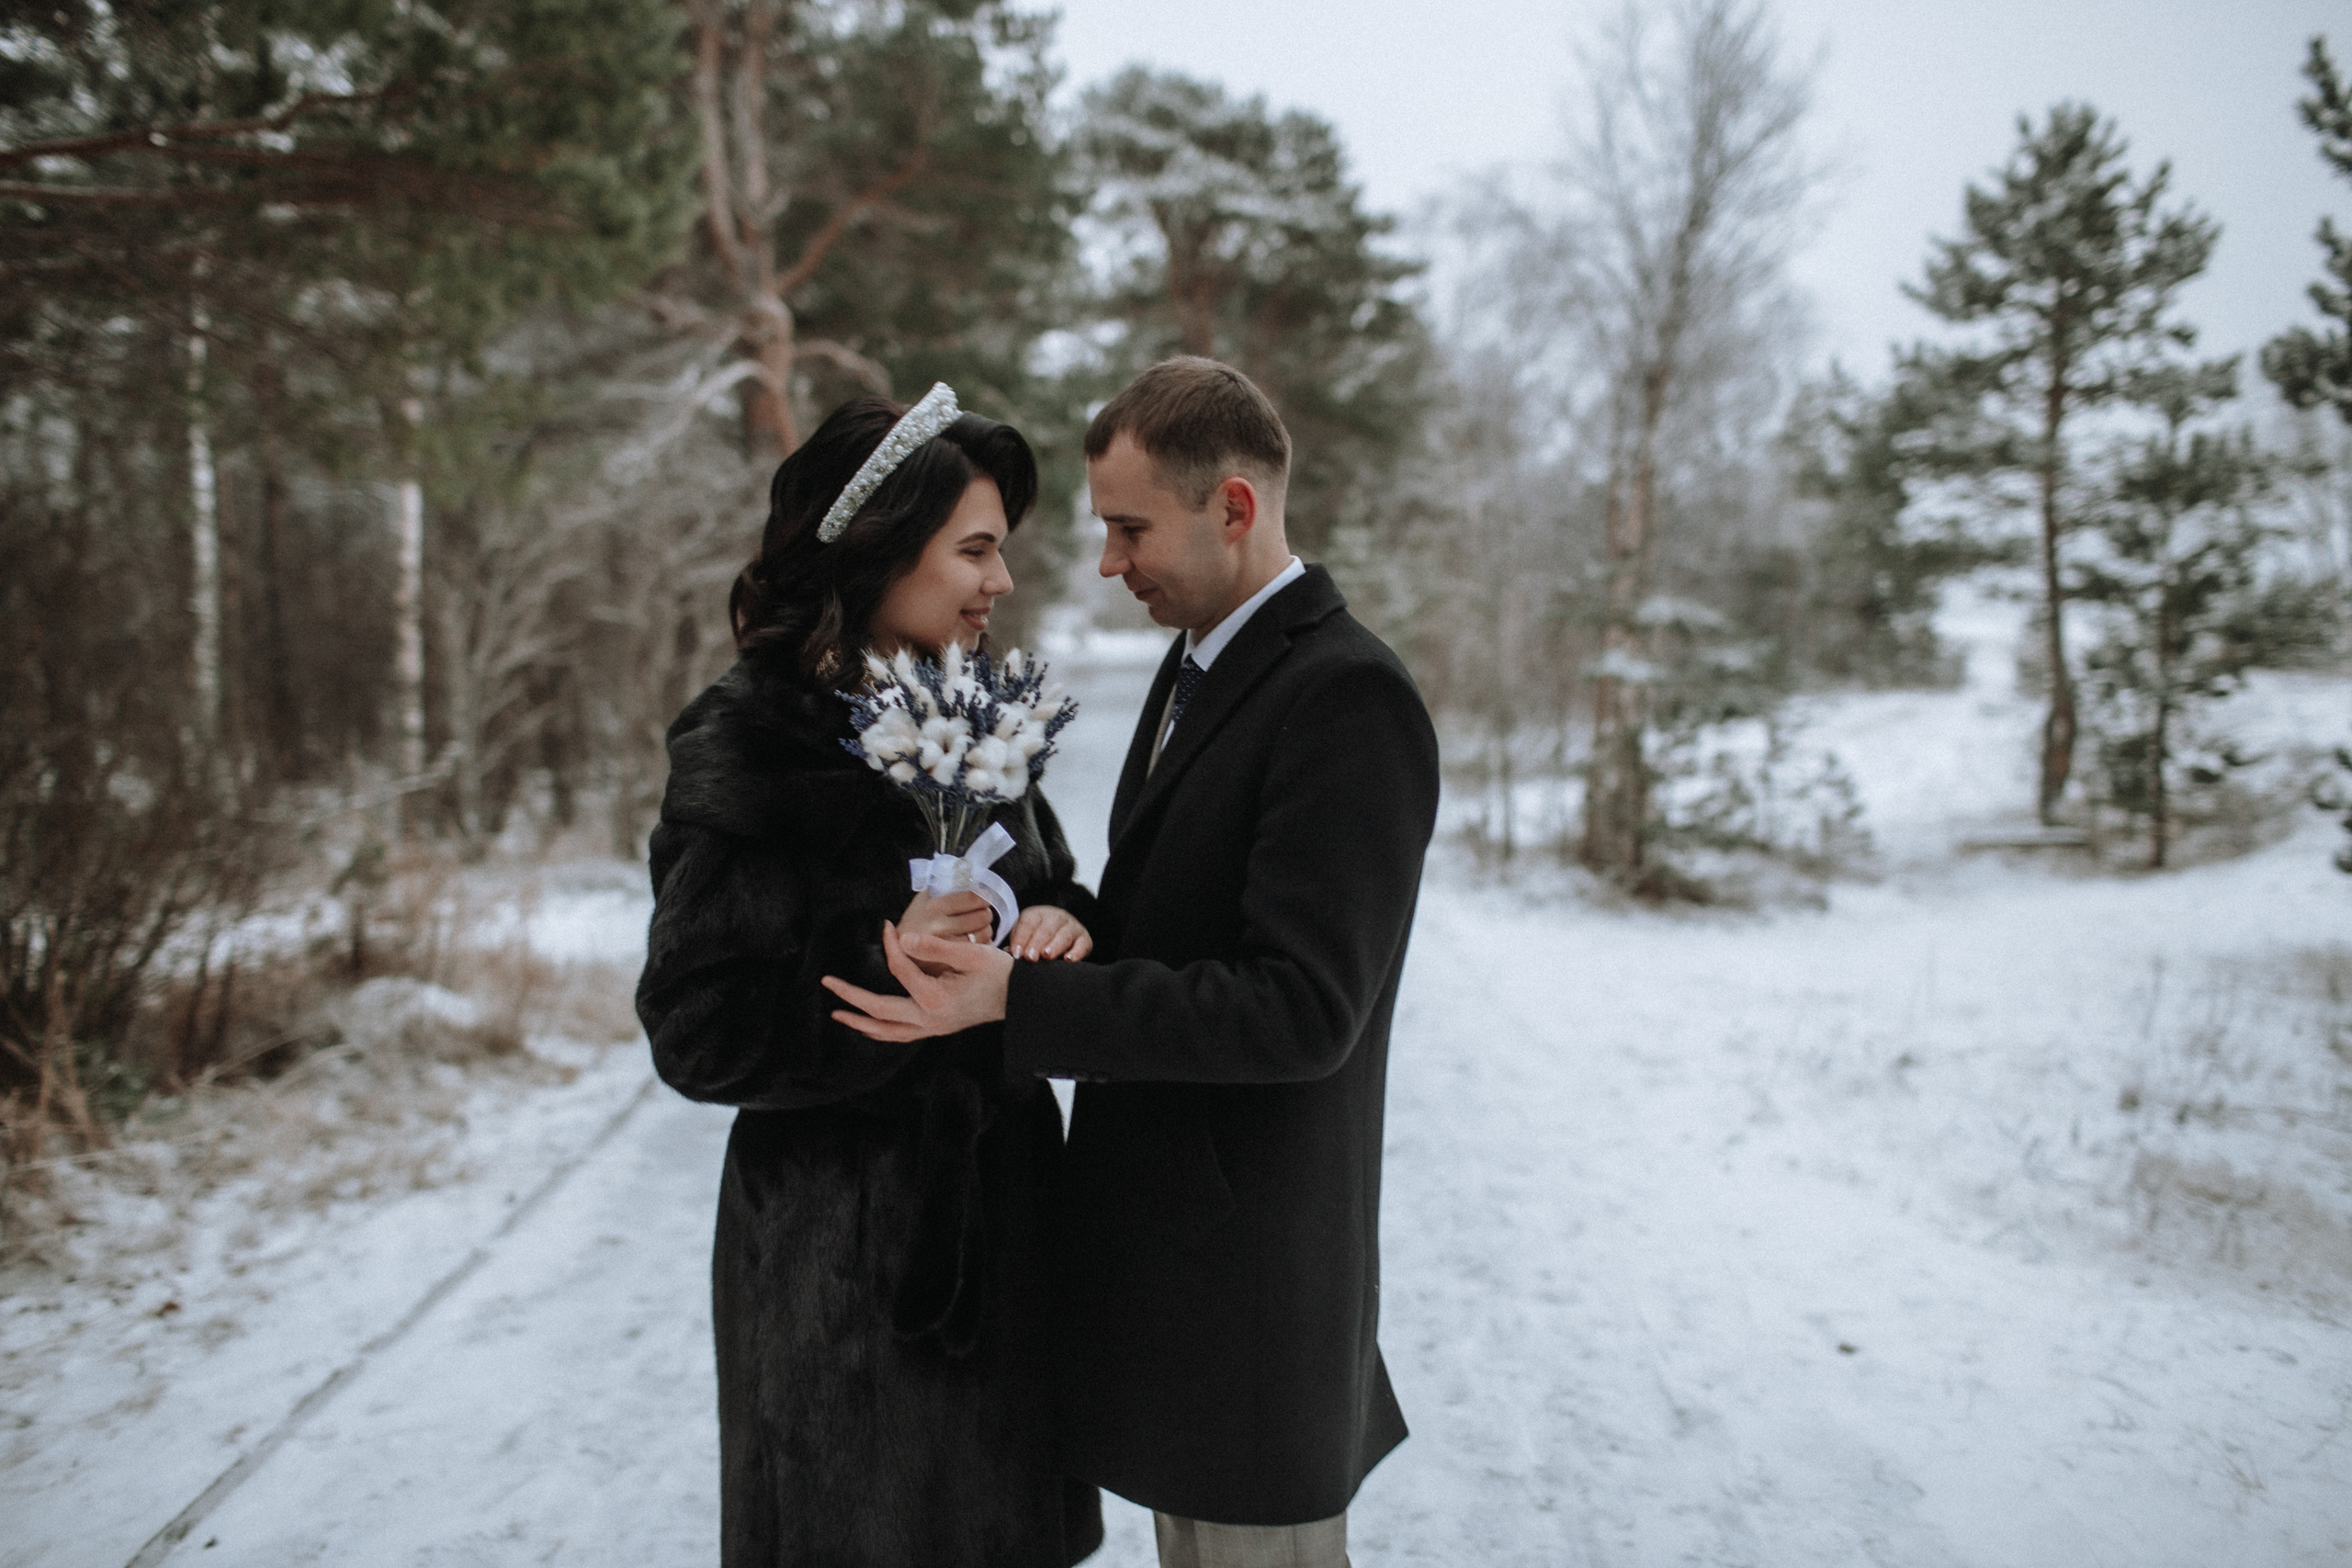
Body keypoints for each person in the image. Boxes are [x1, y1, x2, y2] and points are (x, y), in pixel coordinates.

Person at [826, 357, 1441, 1568]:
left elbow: (1301, 1008)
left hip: (1252, 1295)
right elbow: (1195, 918)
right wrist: (1079, 928)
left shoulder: (1345, 696)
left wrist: (1027, 999)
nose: (1109, 562)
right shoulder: (1203, 660)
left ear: (1234, 507)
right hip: (1181, 1282)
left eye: (1130, 528)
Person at [635, 389, 1104, 1568]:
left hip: (1006, 1230)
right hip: (841, 1271)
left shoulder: (974, 717)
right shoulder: (755, 739)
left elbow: (1048, 884)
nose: (1000, 581)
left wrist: (1063, 923)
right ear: (879, 549)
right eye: (975, 550)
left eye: (1002, 550)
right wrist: (879, 968)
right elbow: (697, 1028)